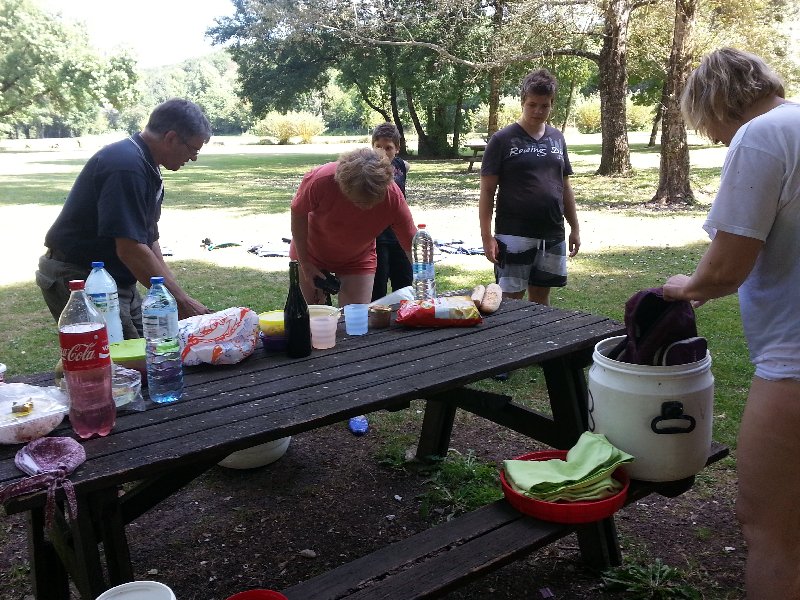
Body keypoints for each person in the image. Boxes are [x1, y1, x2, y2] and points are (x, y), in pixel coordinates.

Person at [662, 48, 800, 599]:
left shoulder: (761, 135)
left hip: (794, 365)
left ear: (716, 103)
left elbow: (723, 271)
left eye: (709, 128)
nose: (717, 140)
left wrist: (684, 288)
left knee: (769, 528)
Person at [36, 98, 213, 338]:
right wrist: (180, 301)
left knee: (154, 347)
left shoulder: (146, 164)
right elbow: (129, 249)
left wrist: (172, 294)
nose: (193, 158)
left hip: (114, 279)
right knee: (122, 358)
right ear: (171, 138)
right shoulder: (126, 167)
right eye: (193, 149)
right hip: (82, 279)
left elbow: (148, 239)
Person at [478, 68, 580, 307]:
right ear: (523, 101)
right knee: (511, 302)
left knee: (541, 303)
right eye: (532, 104)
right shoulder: (502, 140)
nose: (538, 111)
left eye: (545, 106)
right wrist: (486, 237)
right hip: (513, 234)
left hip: (552, 233)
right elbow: (487, 192)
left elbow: (565, 187)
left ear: (552, 104)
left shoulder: (557, 139)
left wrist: (574, 228)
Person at [290, 147, 417, 306]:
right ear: (342, 184)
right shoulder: (321, 180)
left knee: (356, 316)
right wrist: (305, 263)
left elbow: (411, 244)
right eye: (357, 200)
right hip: (311, 253)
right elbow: (298, 213)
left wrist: (426, 284)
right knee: (311, 315)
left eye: (371, 201)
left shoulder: (393, 198)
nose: (363, 207)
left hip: (358, 259)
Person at [370, 122, 413, 301]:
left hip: (399, 235)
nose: (383, 152)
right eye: (378, 147)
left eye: (388, 148)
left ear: (397, 148)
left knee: (405, 284)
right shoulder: (367, 169)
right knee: (377, 288)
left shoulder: (402, 166)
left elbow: (406, 166)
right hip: (376, 237)